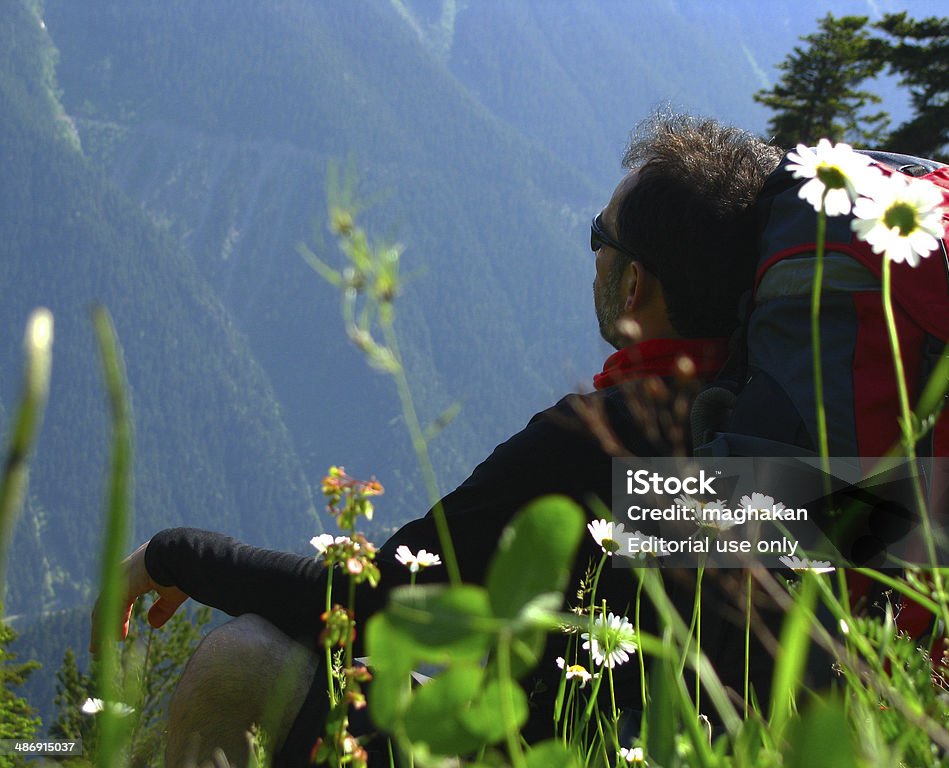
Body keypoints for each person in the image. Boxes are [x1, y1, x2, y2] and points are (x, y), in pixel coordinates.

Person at [93, 110, 784, 766]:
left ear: (633, 283)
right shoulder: (769, 429)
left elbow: (376, 602)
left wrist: (175, 555)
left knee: (239, 661)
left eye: (598, 238)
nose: (594, 256)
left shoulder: (594, 443)